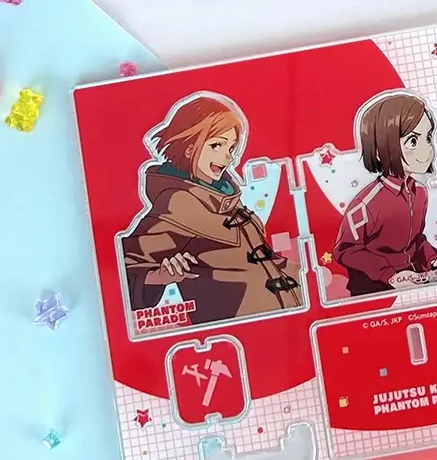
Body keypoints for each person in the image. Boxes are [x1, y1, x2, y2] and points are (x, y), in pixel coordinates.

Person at [121, 94, 303, 327]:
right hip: (242, 329)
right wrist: (160, 276)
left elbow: (261, 262)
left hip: (287, 317)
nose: (228, 157)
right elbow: (123, 274)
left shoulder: (225, 199)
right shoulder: (177, 206)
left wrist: (304, 277)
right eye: (217, 145)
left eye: (232, 147)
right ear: (189, 148)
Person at [333, 92, 437, 295]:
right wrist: (388, 274)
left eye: (427, 138)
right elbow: (345, 250)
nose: (428, 149)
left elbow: (416, 240)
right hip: (373, 291)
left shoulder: (420, 193)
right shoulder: (366, 204)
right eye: (413, 142)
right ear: (380, 151)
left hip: (414, 284)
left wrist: (434, 260)